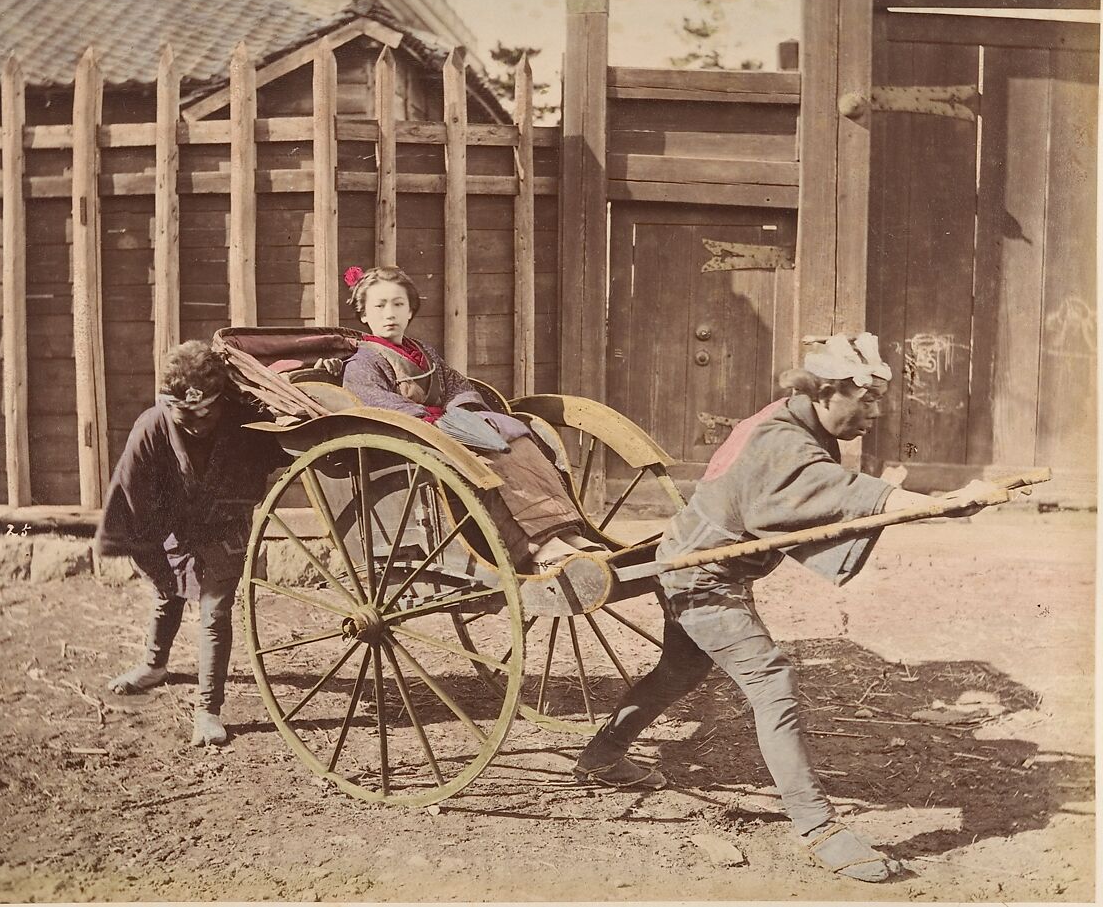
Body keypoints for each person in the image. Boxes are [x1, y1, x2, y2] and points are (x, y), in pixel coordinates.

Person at [573, 332, 995, 883]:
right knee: (771, 681)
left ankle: (603, 756)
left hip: (689, 561)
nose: (874, 413)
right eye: (863, 400)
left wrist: (931, 503)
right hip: (700, 578)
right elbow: (834, 489)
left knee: (681, 669)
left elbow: (824, 488)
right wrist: (939, 505)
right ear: (823, 393)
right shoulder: (782, 441)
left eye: (877, 400)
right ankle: (818, 826)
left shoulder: (792, 418)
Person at [339, 264, 599, 570]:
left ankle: (563, 533)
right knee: (484, 466)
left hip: (450, 428)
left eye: (398, 304)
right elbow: (378, 405)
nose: (389, 314)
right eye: (379, 306)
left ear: (410, 311)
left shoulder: (423, 352)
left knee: (519, 444)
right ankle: (534, 548)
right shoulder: (362, 363)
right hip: (415, 437)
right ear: (364, 315)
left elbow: (457, 386)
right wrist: (431, 422)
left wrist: (462, 415)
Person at [97, 340, 286, 747]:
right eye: (184, 414)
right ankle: (153, 665)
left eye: (207, 412)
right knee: (168, 593)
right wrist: (152, 560)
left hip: (226, 524)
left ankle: (207, 709)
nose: (197, 423)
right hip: (173, 527)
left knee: (215, 612)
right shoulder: (151, 426)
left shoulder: (241, 420)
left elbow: (281, 448)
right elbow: (130, 500)